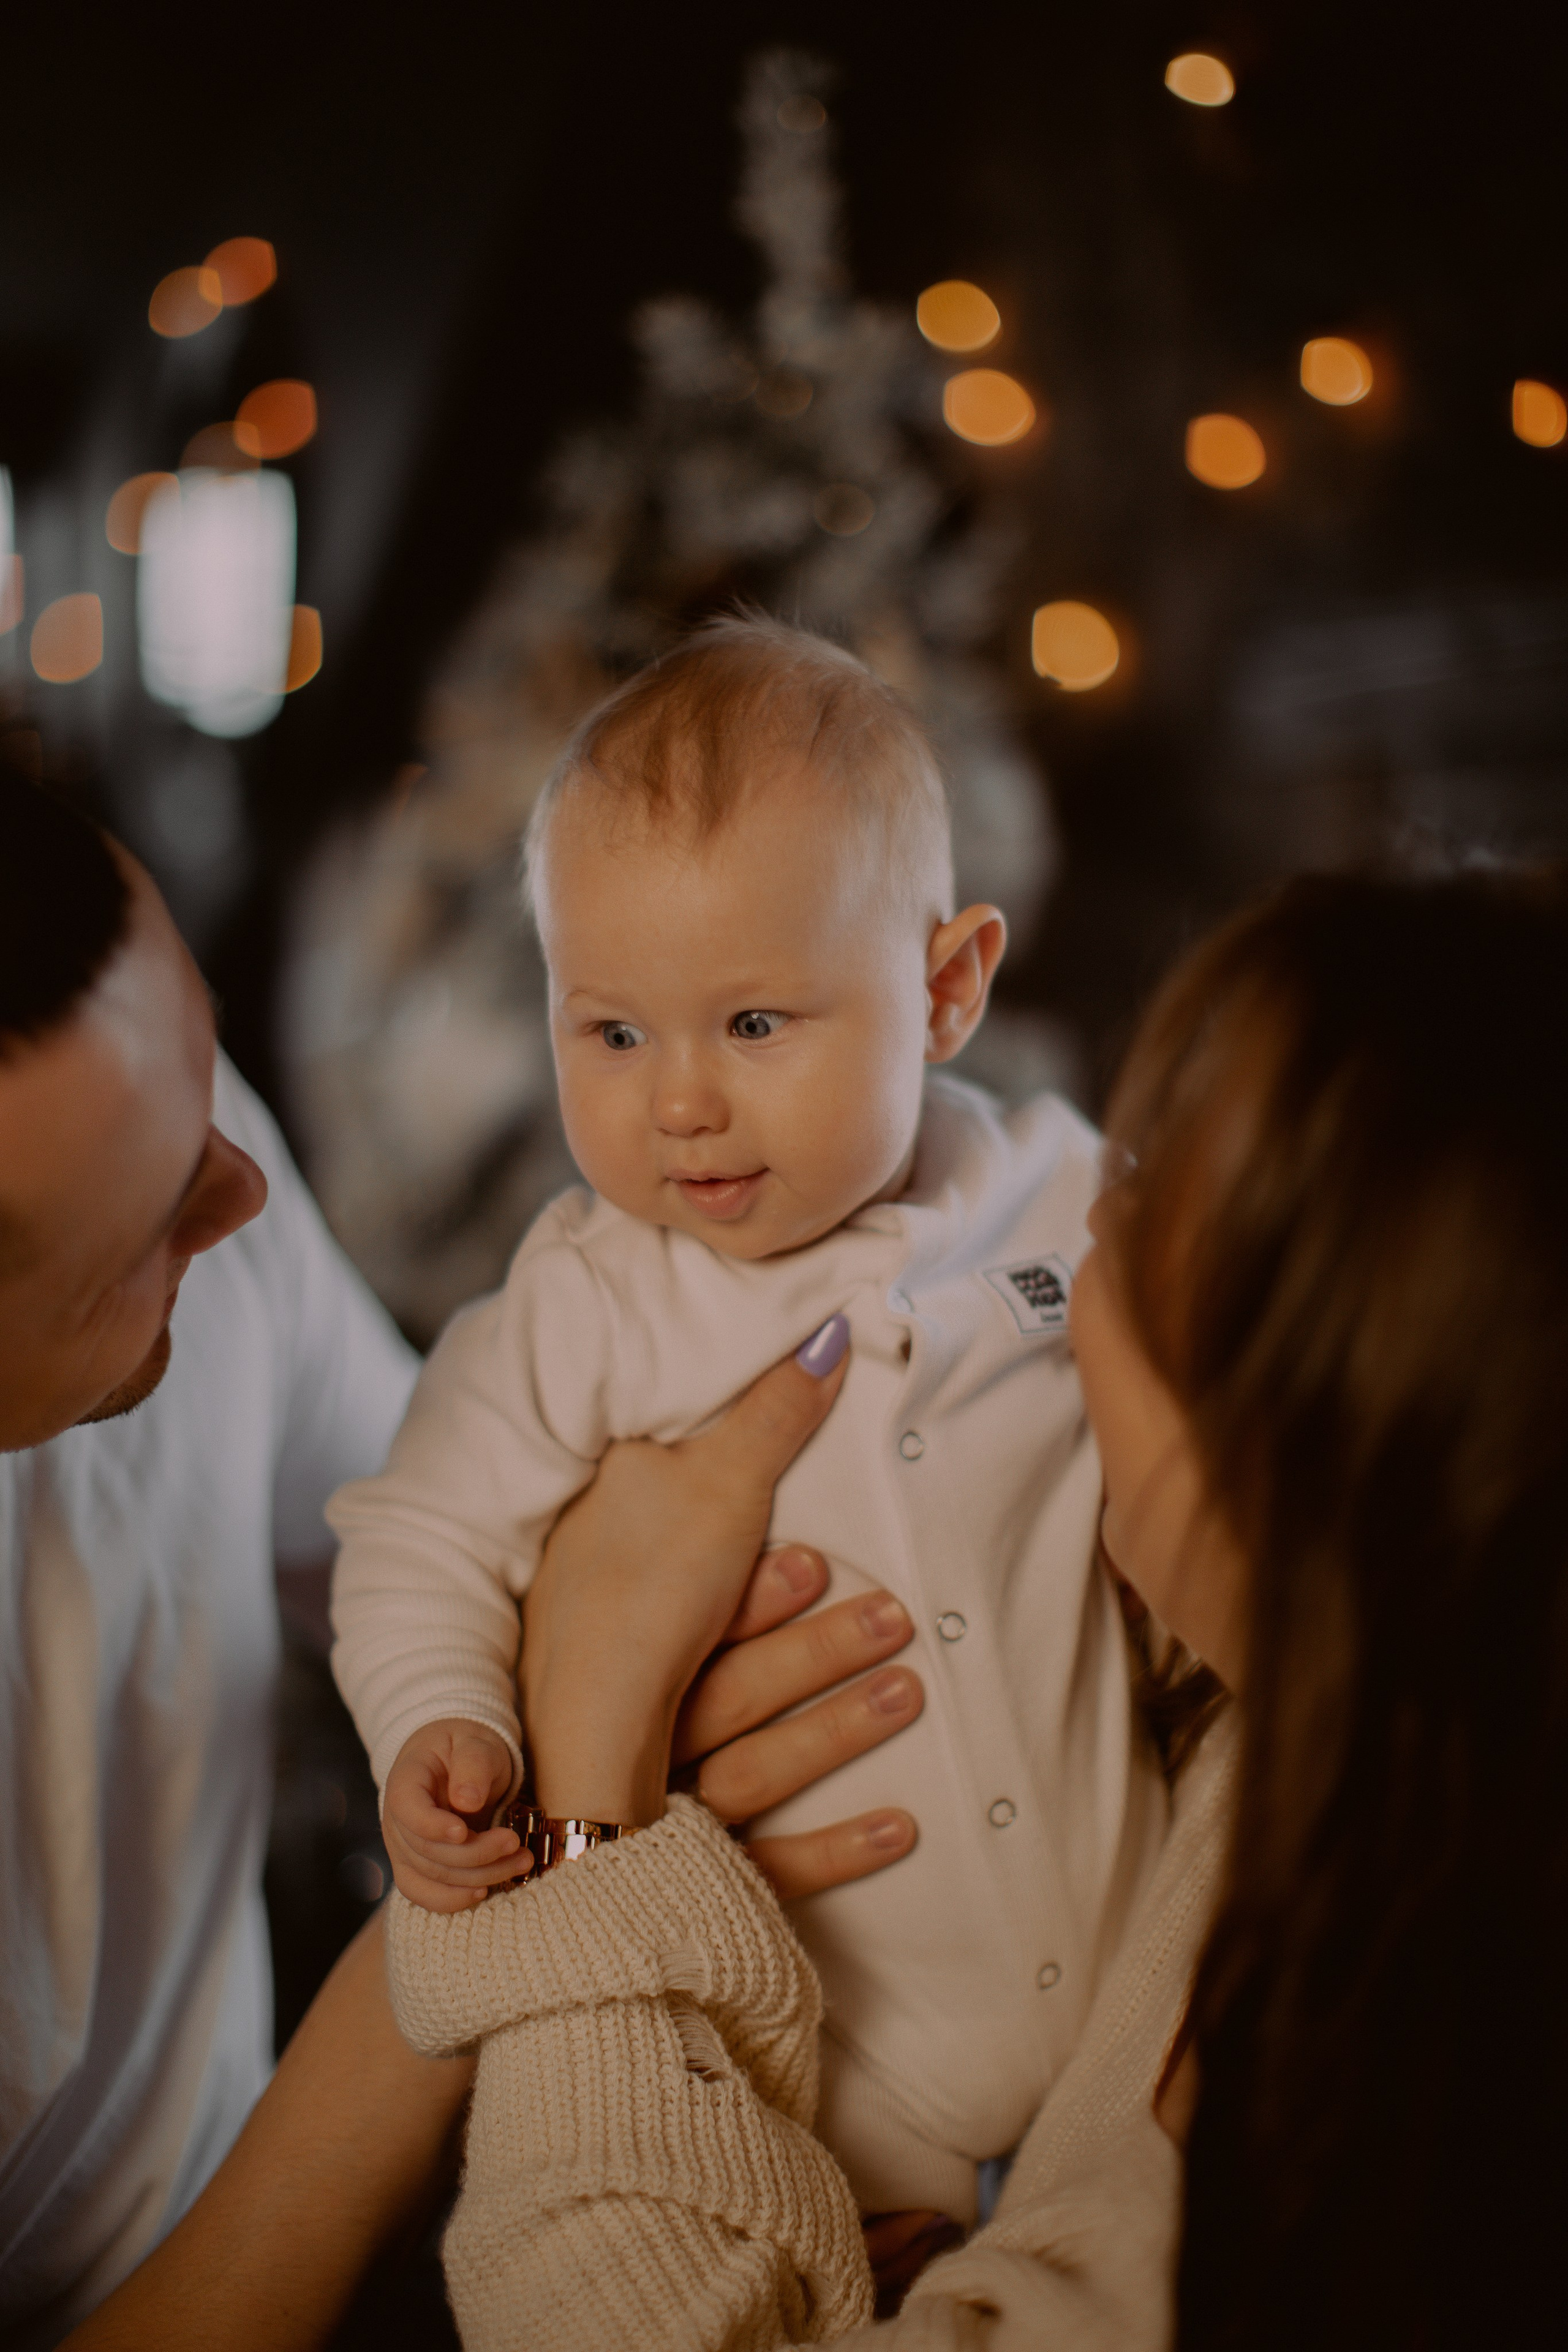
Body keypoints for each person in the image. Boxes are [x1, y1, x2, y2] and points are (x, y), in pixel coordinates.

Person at [385, 864, 1568, 2348]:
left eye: (1144, 1213)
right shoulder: (1330, 1776)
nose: (1084, 1225)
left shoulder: (1368, 2149)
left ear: (1283, 1448)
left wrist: (586, 1762)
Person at [330, 614, 1168, 2225]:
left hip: (1143, 1999)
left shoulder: (1057, 1191)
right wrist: (443, 1720)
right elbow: (417, 1534)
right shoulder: (593, 1303)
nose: (679, 1103)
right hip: (831, 2076)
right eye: (613, 1031)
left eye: (756, 1025)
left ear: (945, 989)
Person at [0, 775, 421, 2344]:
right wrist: (457, 1964)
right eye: (142, 1240)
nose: (242, 1192)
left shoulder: (140, 1120)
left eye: (213, 1071)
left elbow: (419, 1532)